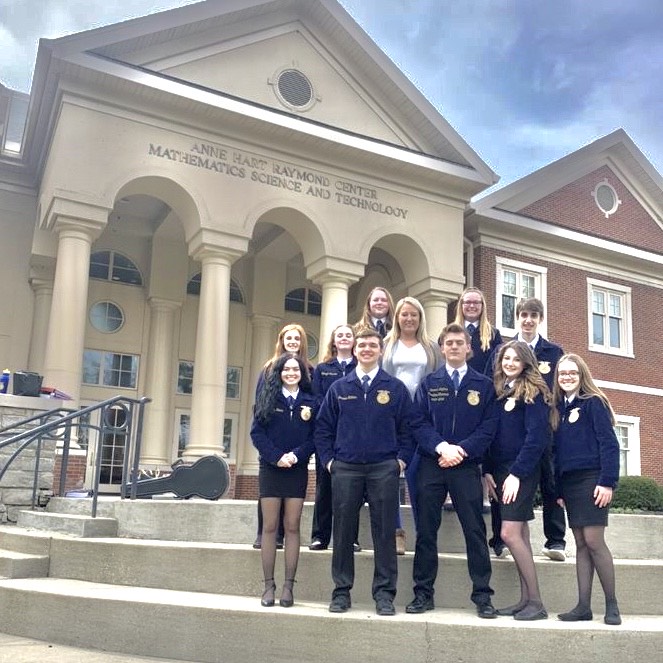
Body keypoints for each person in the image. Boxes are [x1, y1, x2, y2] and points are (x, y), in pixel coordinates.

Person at [315, 326, 416, 616]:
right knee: (344, 531)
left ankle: (384, 595)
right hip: (345, 468)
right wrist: (329, 462)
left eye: (373, 345)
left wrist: (401, 461)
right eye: (362, 346)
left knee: (384, 533)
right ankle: (341, 592)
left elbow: (408, 429)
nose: (367, 349)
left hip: (383, 468)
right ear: (355, 350)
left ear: (381, 350)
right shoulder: (339, 388)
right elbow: (323, 429)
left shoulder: (394, 388)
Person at [406, 323, 498, 618]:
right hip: (432, 465)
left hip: (466, 466)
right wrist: (441, 447)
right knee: (426, 531)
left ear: (469, 348)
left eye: (460, 342)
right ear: (442, 348)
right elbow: (418, 423)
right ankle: (423, 594)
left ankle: (483, 596)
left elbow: (488, 428)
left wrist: (461, 450)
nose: (455, 347)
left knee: (474, 530)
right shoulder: (429, 383)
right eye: (449, 343)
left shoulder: (483, 386)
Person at [486, 297, 567, 561]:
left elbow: (560, 389)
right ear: (517, 318)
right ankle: (500, 539)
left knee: (550, 482)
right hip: (512, 434)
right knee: (503, 484)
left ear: (540, 319)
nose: (528, 319)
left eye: (534, 315)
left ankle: (555, 540)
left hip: (545, 429)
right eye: (524, 315)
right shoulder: (503, 351)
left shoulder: (554, 352)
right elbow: (493, 386)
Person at [551, 354, 621, 625]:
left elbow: (609, 444)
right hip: (569, 484)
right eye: (562, 374)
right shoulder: (559, 408)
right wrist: (557, 490)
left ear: (582, 375)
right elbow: (556, 454)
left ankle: (612, 605)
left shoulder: (594, 403)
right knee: (580, 544)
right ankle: (583, 606)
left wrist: (607, 482)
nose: (566, 377)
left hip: (592, 481)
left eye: (572, 373)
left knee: (594, 541)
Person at [484, 340, 552, 621]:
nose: (509, 363)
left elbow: (537, 439)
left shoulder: (533, 392)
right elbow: (492, 435)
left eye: (515, 359)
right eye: (505, 358)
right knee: (520, 533)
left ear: (526, 362)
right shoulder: (501, 392)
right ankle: (525, 600)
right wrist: (487, 470)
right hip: (500, 470)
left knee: (508, 533)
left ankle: (536, 602)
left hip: (520, 471)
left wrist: (517, 474)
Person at [250, 353, 317, 608]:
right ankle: (269, 586)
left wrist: (296, 456)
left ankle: (288, 586)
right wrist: (276, 457)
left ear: (302, 373)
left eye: (296, 369)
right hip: (271, 468)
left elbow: (314, 437)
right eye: (286, 369)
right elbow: (257, 434)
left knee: (292, 526)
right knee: (269, 527)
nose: (291, 373)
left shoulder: (311, 401)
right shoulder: (268, 398)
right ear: (279, 373)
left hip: (296, 469)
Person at [382, 296, 441, 546]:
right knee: (391, 472)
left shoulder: (431, 347)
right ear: (397, 317)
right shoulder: (387, 344)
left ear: (420, 318)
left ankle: (422, 533)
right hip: (392, 415)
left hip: (422, 416)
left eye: (413, 315)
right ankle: (397, 532)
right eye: (404, 314)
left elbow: (438, 381)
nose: (409, 318)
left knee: (418, 475)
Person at [453, 287, 505, 556]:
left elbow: (496, 365)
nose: (471, 306)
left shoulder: (492, 335)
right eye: (467, 302)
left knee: (482, 447)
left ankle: (485, 502)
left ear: (483, 306)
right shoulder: (454, 330)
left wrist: (482, 387)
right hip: (457, 394)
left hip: (482, 393)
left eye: (476, 302)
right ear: (461, 305)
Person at [253, 324, 313, 550]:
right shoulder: (269, 368)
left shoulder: (308, 369)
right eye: (289, 338)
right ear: (281, 340)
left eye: (297, 338)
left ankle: (283, 536)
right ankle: (266, 534)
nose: (293, 342)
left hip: (297, 447)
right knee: (268, 495)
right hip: (272, 445)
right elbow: (260, 405)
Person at [309, 324, 357, 551]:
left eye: (349, 335)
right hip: (328, 435)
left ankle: (351, 538)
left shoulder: (361, 366)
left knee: (353, 490)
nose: (345, 338)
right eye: (340, 335)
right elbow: (317, 400)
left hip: (354, 436)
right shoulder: (322, 369)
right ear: (334, 341)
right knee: (325, 486)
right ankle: (320, 535)